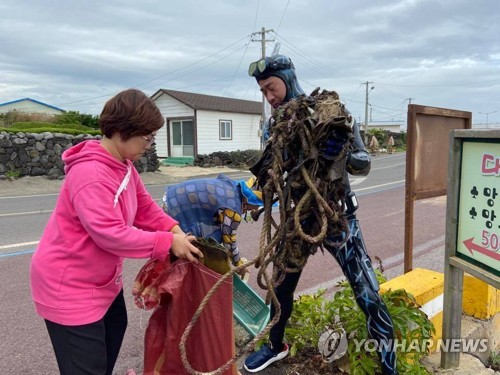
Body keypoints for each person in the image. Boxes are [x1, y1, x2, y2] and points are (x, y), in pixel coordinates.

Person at [30, 88, 203, 375]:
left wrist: (175, 230)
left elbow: (145, 207)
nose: (149, 144)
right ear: (123, 130)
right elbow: (110, 234)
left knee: (111, 337)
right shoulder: (91, 175)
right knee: (86, 367)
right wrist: (166, 242)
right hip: (69, 286)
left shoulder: (124, 166)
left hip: (100, 282)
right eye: (147, 137)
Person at [244, 55, 398, 374]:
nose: (269, 96)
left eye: (271, 87)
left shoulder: (332, 111)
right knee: (280, 288)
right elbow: (272, 168)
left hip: (337, 216)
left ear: (287, 78)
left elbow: (363, 163)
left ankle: (389, 365)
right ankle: (275, 346)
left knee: (367, 293)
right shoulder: (276, 124)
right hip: (298, 219)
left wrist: (337, 151)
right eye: (263, 91)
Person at [161, 174, 264, 277]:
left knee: (209, 236)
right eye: (258, 204)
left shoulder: (233, 187)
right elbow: (229, 241)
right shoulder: (232, 209)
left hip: (170, 197)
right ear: (249, 199)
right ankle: (190, 277)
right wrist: (239, 264)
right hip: (174, 208)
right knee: (196, 246)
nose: (256, 208)